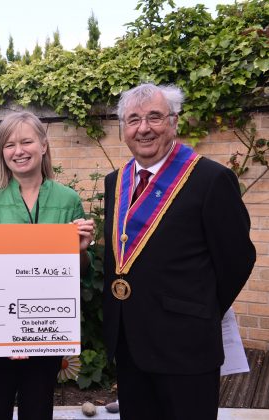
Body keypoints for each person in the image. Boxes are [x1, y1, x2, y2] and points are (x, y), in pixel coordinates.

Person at [103, 83, 256, 420]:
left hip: (186, 346)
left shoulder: (212, 179)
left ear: (173, 122)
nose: (143, 128)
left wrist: (197, 309)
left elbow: (238, 259)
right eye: (133, 120)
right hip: (130, 343)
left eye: (154, 117)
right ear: (122, 129)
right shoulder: (115, 181)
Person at [0, 111, 94, 420]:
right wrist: (9, 332)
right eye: (9, 144)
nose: (19, 151)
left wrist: (80, 251)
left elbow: (78, 272)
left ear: (43, 145)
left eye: (26, 141)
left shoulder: (67, 199)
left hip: (45, 327)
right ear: (2, 153)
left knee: (38, 409)